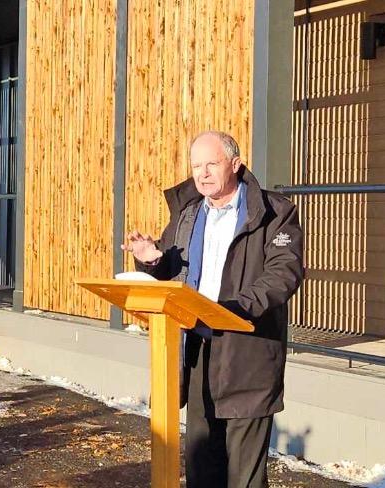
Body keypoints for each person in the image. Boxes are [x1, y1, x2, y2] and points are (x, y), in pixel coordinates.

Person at [121, 131, 304, 487]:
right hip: (197, 350)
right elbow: (175, 270)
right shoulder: (188, 214)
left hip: (247, 352)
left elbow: (284, 273)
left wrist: (234, 308)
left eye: (211, 164)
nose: (202, 174)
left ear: (235, 164)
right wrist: (154, 259)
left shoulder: (275, 212)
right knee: (203, 470)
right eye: (196, 166)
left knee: (244, 479)